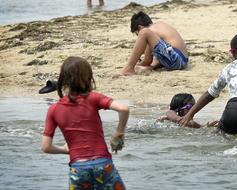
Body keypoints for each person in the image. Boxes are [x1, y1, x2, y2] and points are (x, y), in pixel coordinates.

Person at [41, 56, 129, 189]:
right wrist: (119, 132)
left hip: (78, 168)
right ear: (88, 78)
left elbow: (46, 147)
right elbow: (123, 108)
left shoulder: (53, 109)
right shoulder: (93, 98)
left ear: (63, 80)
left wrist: (65, 150)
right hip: (102, 165)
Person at [120, 11, 189, 75]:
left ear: (140, 27)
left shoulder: (149, 31)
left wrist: (135, 65)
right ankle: (151, 67)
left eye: (137, 34)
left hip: (177, 60)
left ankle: (128, 69)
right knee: (156, 59)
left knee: (145, 32)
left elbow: (147, 61)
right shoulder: (159, 25)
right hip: (183, 60)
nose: (139, 37)